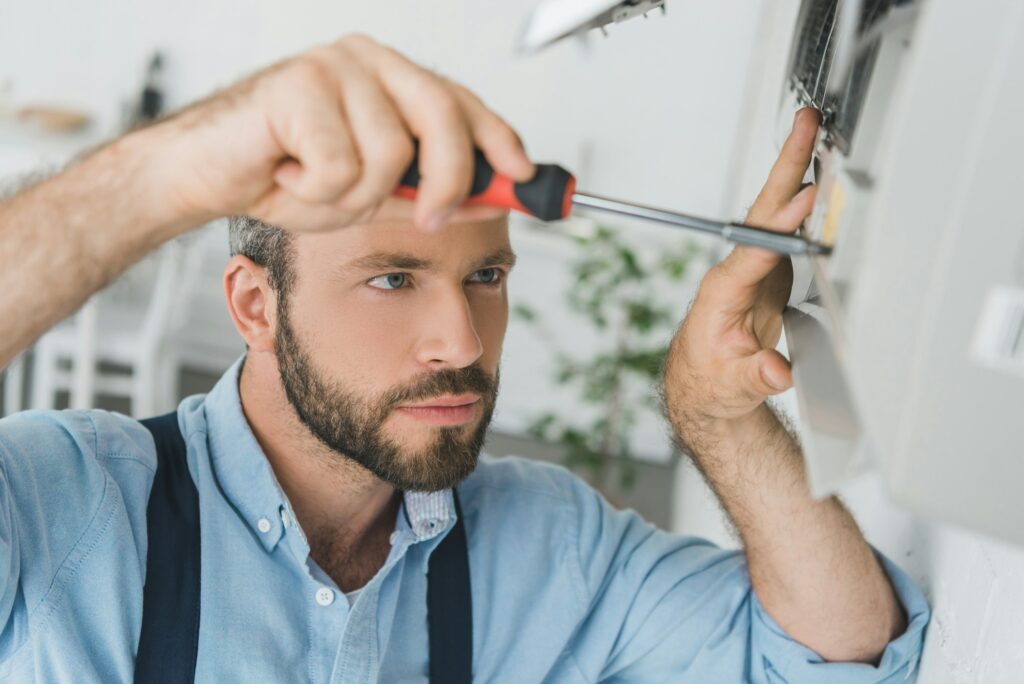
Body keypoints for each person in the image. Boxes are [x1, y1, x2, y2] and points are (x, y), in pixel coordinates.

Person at [0, 34, 927, 682]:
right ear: (255, 305)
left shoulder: (544, 545)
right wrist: (163, 176)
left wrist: (717, 415)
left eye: (486, 274)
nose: (463, 343)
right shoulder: (67, 509)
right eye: (393, 279)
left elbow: (837, 651)